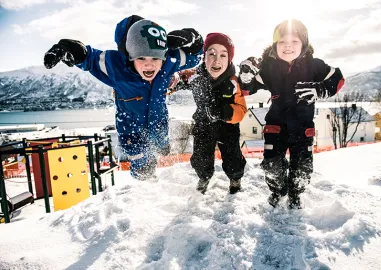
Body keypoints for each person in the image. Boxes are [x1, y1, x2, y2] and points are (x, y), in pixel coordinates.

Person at [43, 15, 203, 180]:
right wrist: (71, 49)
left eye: (155, 58)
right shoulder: (116, 67)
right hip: (131, 130)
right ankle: (142, 189)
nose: (149, 64)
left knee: (162, 148)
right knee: (144, 167)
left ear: (163, 56)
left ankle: (161, 147)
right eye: (141, 58)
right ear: (130, 56)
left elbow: (196, 57)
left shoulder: (169, 61)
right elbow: (89, 58)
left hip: (158, 123)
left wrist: (194, 38)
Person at [238, 19, 344, 209]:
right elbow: (247, 89)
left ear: (303, 44)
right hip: (275, 126)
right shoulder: (268, 67)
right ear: (274, 46)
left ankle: (295, 194)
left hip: (303, 128)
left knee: (302, 169)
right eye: (282, 42)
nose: (288, 46)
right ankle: (278, 191)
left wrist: (320, 89)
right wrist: (246, 75)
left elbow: (338, 79)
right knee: (272, 166)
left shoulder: (314, 66)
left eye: (294, 41)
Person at [178, 33, 247, 194]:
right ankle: (204, 177)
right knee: (201, 158)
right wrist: (171, 82)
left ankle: (235, 179)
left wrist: (225, 112)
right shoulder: (195, 77)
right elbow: (173, 81)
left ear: (229, 59)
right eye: (212, 54)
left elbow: (242, 110)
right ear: (204, 57)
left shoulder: (234, 82)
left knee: (233, 158)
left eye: (223, 55)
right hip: (203, 124)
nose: (217, 60)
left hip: (227, 127)